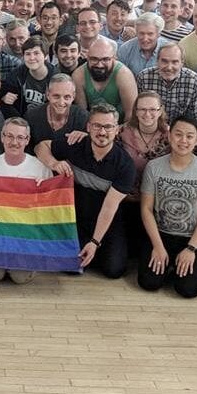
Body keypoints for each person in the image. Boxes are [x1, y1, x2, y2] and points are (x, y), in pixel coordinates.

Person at [37, 103, 136, 278]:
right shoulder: (76, 144)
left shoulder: (125, 165)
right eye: (97, 126)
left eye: (108, 127)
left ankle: (95, 249)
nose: (102, 132)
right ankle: (86, 250)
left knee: (114, 270)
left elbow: (109, 207)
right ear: (88, 127)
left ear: (117, 130)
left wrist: (95, 242)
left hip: (108, 220)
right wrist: (54, 163)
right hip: (77, 218)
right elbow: (41, 146)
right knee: (71, 267)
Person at [138, 115, 197, 299]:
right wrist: (158, 246)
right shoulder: (154, 167)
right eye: (178, 134)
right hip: (160, 234)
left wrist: (191, 249)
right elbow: (146, 209)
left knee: (188, 290)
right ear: (169, 136)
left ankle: (175, 266)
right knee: (149, 283)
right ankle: (168, 265)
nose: (183, 140)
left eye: (189, 136)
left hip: (191, 237)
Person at [0, 118, 54, 285]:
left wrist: (43, 191)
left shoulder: (40, 167)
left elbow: (49, 207)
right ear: (2, 137)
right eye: (10, 136)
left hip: (25, 235)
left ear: (27, 140)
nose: (14, 142)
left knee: (19, 278)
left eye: (20, 137)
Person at [135, 44, 197, 136]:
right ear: (157, 61)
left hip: (180, 136)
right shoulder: (144, 78)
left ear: (182, 63)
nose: (169, 67)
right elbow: (137, 114)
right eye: (164, 61)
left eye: (175, 62)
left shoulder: (194, 81)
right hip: (149, 134)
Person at [73, 38, 137, 122]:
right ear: (87, 58)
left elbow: (131, 115)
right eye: (94, 59)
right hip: (92, 125)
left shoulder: (124, 75)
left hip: (120, 125)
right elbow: (82, 114)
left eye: (105, 59)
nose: (99, 65)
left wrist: (118, 128)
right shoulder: (78, 76)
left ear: (114, 58)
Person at [27, 74, 89, 153]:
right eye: (56, 96)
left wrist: (86, 137)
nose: (61, 102)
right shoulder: (31, 117)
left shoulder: (83, 117)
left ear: (73, 97)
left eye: (66, 97)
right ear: (48, 94)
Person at [13, 37, 57, 114]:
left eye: (36, 53)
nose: (32, 58)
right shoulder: (18, 73)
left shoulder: (56, 77)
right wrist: (4, 97)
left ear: (45, 56)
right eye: (28, 54)